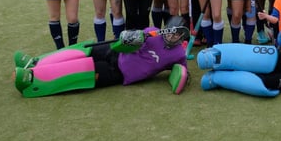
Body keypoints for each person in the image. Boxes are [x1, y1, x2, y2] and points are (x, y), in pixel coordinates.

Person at [12, 24, 189, 98]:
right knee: (80, 51)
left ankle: (33, 78)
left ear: (181, 39)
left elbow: (182, 73)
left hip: (119, 72)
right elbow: (124, 39)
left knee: (82, 68)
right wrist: (137, 36)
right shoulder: (152, 31)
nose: (173, 36)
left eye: (178, 35)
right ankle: (36, 63)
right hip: (114, 51)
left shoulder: (178, 55)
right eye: (172, 31)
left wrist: (183, 76)